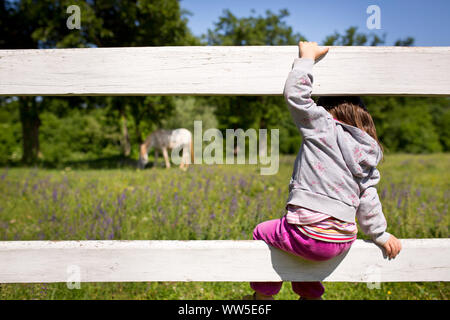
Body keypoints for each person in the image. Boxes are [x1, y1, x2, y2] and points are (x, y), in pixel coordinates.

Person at [244, 41, 402, 300]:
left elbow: (296, 97)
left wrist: (306, 59)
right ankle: (310, 296)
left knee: (263, 232)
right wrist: (380, 234)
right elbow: (369, 199)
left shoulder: (323, 127)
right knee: (308, 243)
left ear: (329, 112)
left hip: (307, 233)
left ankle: (263, 297)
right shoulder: (367, 152)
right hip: (341, 240)